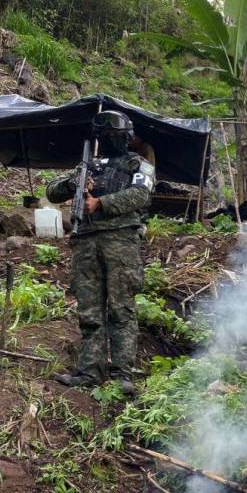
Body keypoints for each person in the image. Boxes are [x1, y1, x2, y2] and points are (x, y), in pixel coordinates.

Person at [46, 110, 155, 393]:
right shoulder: (88, 165)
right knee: (90, 310)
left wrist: (101, 203)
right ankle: (89, 372)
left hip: (120, 241)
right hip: (85, 241)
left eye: (114, 136)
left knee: (121, 309)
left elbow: (140, 195)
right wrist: (75, 184)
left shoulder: (138, 164)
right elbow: (52, 192)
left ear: (126, 138)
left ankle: (122, 375)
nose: (108, 140)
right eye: (104, 136)